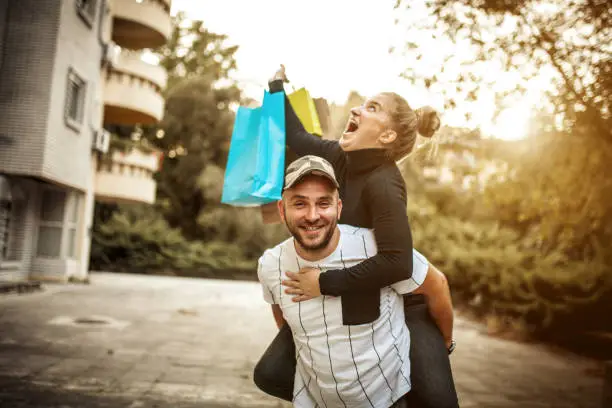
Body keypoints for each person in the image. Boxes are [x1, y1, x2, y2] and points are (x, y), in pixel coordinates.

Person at [254, 66, 458, 407]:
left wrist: (323, 283)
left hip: (405, 304)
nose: (357, 110)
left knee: (438, 402)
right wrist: (276, 86)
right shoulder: (340, 157)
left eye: (372, 108)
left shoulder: (385, 182)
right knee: (272, 372)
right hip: (352, 289)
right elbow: (298, 138)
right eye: (364, 104)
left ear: (387, 136)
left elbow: (398, 263)